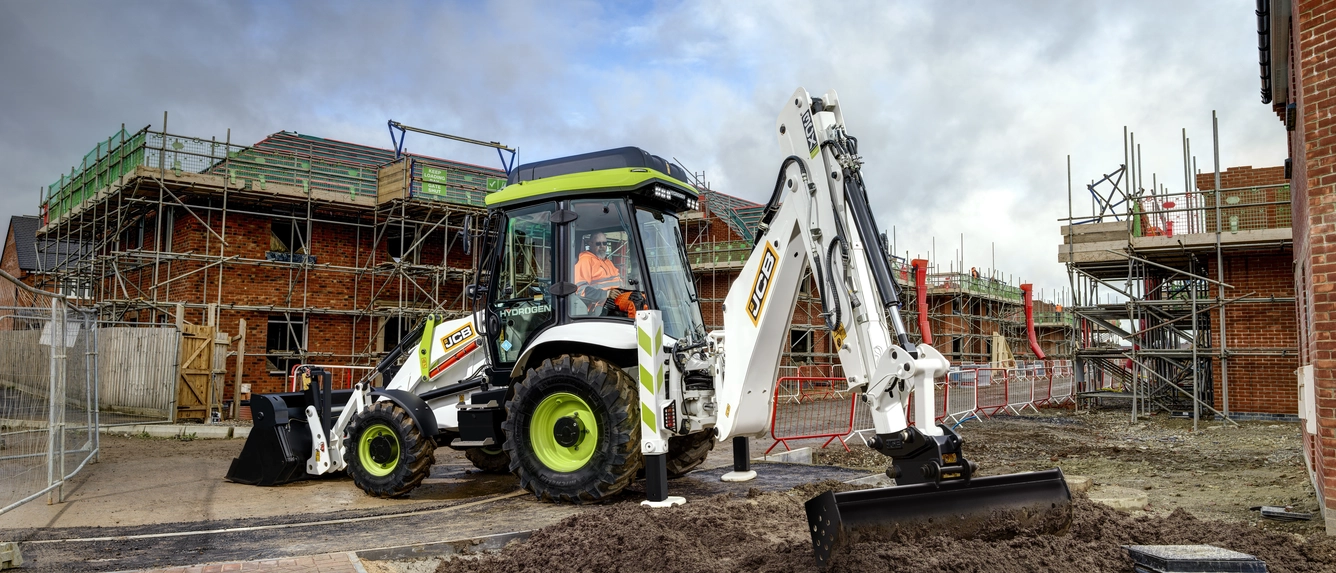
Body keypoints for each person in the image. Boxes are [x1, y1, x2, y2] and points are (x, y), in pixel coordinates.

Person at [574, 232, 647, 317]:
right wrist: (606, 294)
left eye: (604, 243)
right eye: (598, 243)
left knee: (647, 297)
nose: (602, 246)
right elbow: (580, 290)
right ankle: (635, 329)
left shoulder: (606, 261)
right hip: (602, 303)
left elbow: (618, 281)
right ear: (590, 244)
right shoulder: (585, 260)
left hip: (617, 296)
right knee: (636, 302)